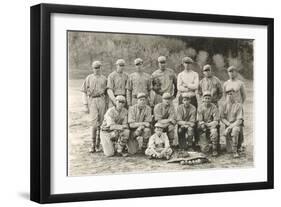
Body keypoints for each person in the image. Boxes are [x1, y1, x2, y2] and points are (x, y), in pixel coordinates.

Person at [81, 60, 107, 153]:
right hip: (92, 100)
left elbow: (107, 92)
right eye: (95, 67)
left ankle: (98, 144)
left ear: (101, 68)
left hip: (102, 100)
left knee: (101, 122)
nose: (97, 69)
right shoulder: (89, 78)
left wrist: (107, 104)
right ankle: (92, 143)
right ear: (92, 68)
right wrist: (85, 104)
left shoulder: (104, 78)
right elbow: (84, 91)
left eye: (99, 67)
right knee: (94, 123)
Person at [223, 65, 246, 151]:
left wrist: (239, 104)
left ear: (236, 72)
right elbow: (225, 95)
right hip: (229, 106)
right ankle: (229, 145)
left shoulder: (240, 83)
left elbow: (244, 95)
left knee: (238, 124)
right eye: (229, 72)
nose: (231, 73)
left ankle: (239, 145)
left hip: (238, 106)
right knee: (228, 123)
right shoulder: (226, 83)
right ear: (228, 73)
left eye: (233, 71)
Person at [220, 88, 244, 158]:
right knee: (228, 150)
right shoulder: (223, 105)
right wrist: (228, 125)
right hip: (228, 124)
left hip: (236, 125)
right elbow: (222, 118)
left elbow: (239, 120)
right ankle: (232, 148)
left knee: (235, 130)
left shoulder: (239, 105)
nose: (230, 96)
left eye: (231, 94)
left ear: (235, 95)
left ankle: (235, 151)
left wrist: (230, 127)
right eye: (228, 94)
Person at [197, 91, 220, 156]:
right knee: (204, 150)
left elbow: (216, 120)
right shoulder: (200, 107)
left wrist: (209, 124)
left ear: (211, 99)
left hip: (211, 125)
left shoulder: (214, 107)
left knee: (214, 131)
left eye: (209, 98)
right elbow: (200, 120)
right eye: (206, 98)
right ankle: (205, 144)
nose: (207, 100)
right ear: (203, 99)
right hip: (203, 126)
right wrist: (203, 125)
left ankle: (214, 149)